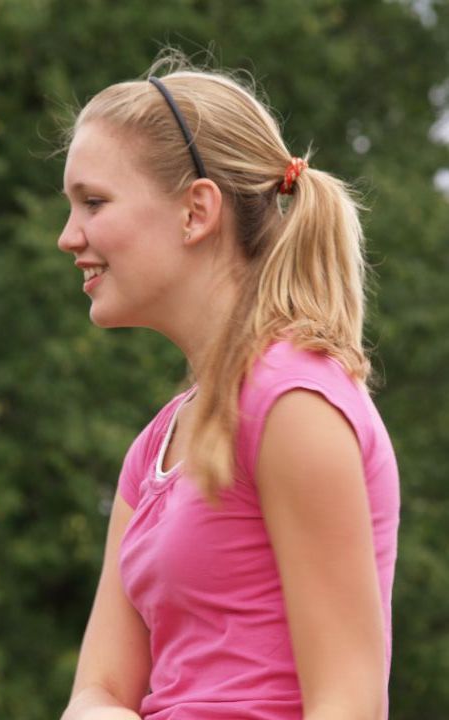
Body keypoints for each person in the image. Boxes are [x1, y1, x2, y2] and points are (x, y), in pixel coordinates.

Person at [56, 52, 400, 720]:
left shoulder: (293, 403)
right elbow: (96, 691)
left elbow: (350, 702)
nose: (69, 237)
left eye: (93, 202)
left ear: (196, 211)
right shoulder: (153, 448)